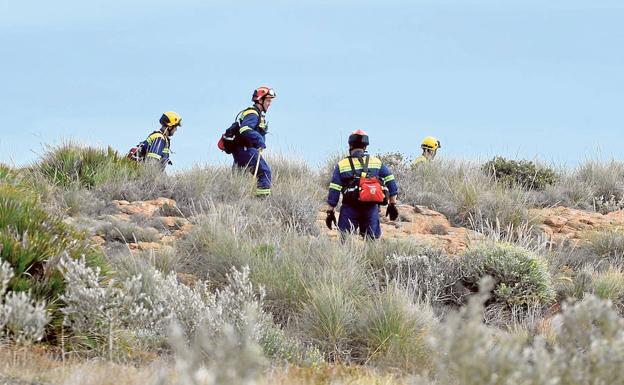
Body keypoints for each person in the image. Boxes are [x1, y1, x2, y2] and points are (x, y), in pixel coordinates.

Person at [325, 130, 399, 239]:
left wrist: (330, 211)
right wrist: (392, 204)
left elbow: (334, 189)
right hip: (371, 208)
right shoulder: (376, 162)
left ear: (350, 145)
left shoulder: (341, 165)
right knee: (372, 240)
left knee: (345, 240)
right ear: (365, 146)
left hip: (350, 207)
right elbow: (390, 180)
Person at [230, 86, 276, 197]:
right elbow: (245, 129)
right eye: (268, 100)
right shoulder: (253, 113)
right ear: (260, 100)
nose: (270, 103)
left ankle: (237, 202)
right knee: (264, 173)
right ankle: (262, 201)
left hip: (240, 151)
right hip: (247, 150)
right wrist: (260, 140)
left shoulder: (256, 114)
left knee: (239, 180)